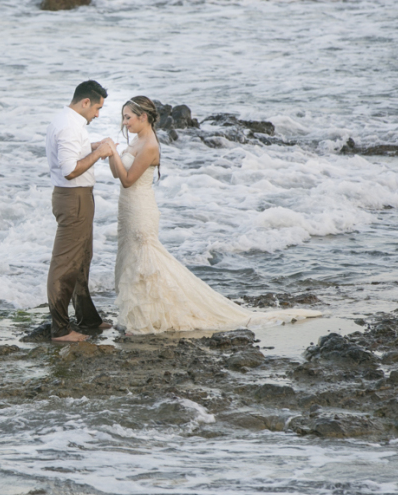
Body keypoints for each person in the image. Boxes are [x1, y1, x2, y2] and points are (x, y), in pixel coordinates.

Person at [106, 96, 322, 334]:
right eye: (123, 118)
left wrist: (111, 153)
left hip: (140, 209)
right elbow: (119, 174)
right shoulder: (137, 140)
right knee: (130, 259)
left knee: (144, 261)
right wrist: (110, 154)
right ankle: (135, 315)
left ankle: (144, 319)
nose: (124, 122)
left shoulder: (149, 145)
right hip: (126, 209)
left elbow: (128, 181)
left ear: (143, 117)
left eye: (128, 117)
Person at [45, 80, 116, 342]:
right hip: (73, 198)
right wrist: (98, 155)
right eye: (97, 108)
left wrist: (94, 146)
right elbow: (69, 169)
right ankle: (60, 329)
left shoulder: (71, 123)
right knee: (66, 264)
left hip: (79, 197)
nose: (98, 114)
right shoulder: (68, 126)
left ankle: (87, 318)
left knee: (82, 260)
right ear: (85, 102)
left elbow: (72, 156)